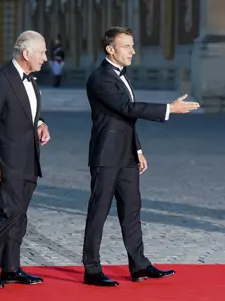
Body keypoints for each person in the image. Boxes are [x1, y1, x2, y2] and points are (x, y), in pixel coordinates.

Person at [82, 26, 200, 287]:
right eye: (127, 46)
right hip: (106, 155)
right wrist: (170, 109)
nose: (133, 51)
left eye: (133, 45)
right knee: (99, 212)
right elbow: (128, 108)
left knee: (132, 210)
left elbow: (127, 119)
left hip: (126, 156)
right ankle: (91, 269)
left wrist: (137, 149)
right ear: (110, 49)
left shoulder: (123, 76)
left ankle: (139, 265)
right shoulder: (100, 78)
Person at [0, 31, 51, 288]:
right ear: (26, 53)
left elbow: (27, 112)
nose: (46, 58)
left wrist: (40, 123)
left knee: (20, 215)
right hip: (7, 161)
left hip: (30, 159)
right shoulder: (0, 81)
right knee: (8, 212)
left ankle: (11, 267)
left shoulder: (32, 80)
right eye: (42, 52)